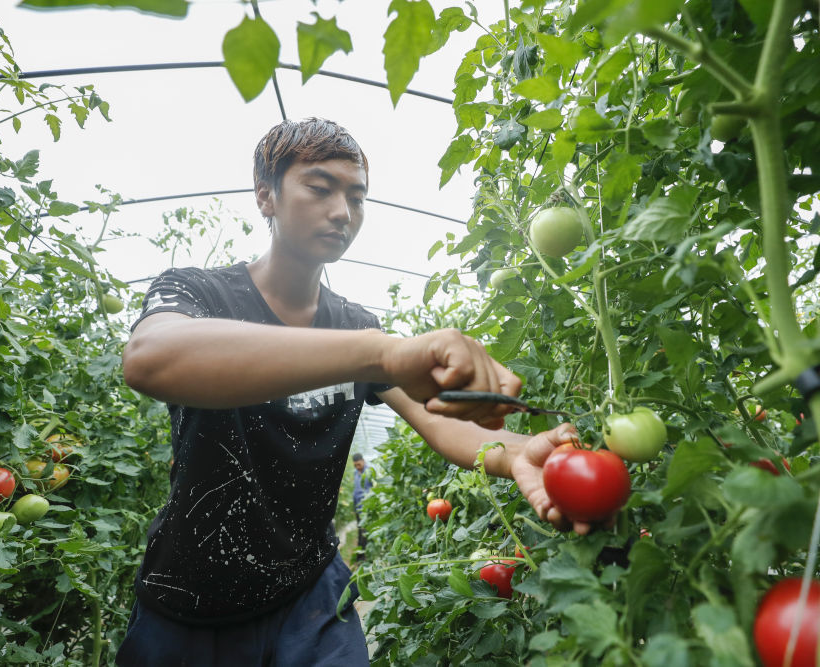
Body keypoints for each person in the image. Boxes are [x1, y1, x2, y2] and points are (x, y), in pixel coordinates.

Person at [116, 118, 590, 667]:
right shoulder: (197, 292)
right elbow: (151, 358)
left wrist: (516, 452)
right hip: (189, 599)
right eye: (319, 189)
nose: (342, 212)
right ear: (265, 196)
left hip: (310, 595)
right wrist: (380, 352)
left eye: (357, 197)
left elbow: (439, 420)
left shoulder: (355, 324)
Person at [351, 452, 373, 561]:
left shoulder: (369, 472)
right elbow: (356, 491)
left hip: (366, 507)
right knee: (360, 530)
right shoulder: (356, 472)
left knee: (364, 531)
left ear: (363, 461)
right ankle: (360, 554)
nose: (357, 467)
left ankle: (363, 555)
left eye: (358, 464)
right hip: (358, 506)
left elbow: (374, 489)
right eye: (355, 465)